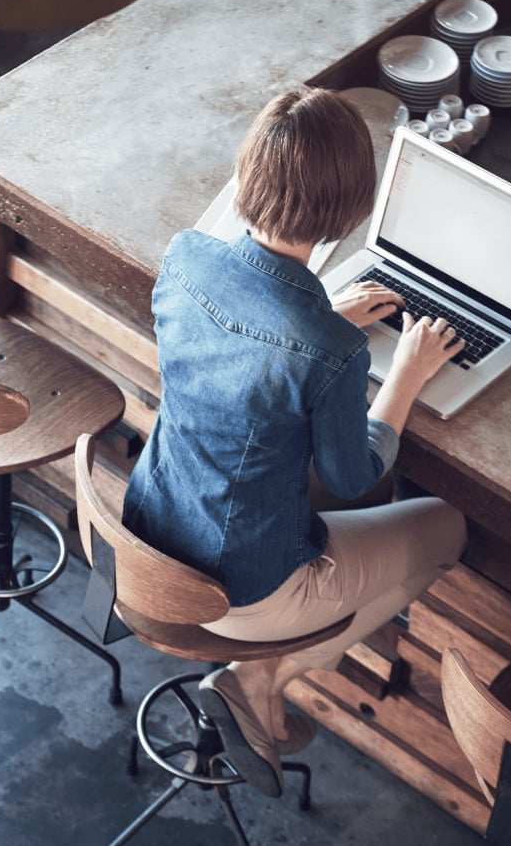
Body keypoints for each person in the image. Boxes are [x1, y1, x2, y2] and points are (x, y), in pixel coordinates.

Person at [122, 87, 468, 796]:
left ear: (251, 171)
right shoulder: (334, 352)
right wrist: (402, 373)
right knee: (447, 526)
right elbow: (352, 476)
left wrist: (315, 312)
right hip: (241, 589)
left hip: (150, 536)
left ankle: (261, 677)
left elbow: (244, 347)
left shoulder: (184, 257)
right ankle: (268, 669)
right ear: (350, 207)